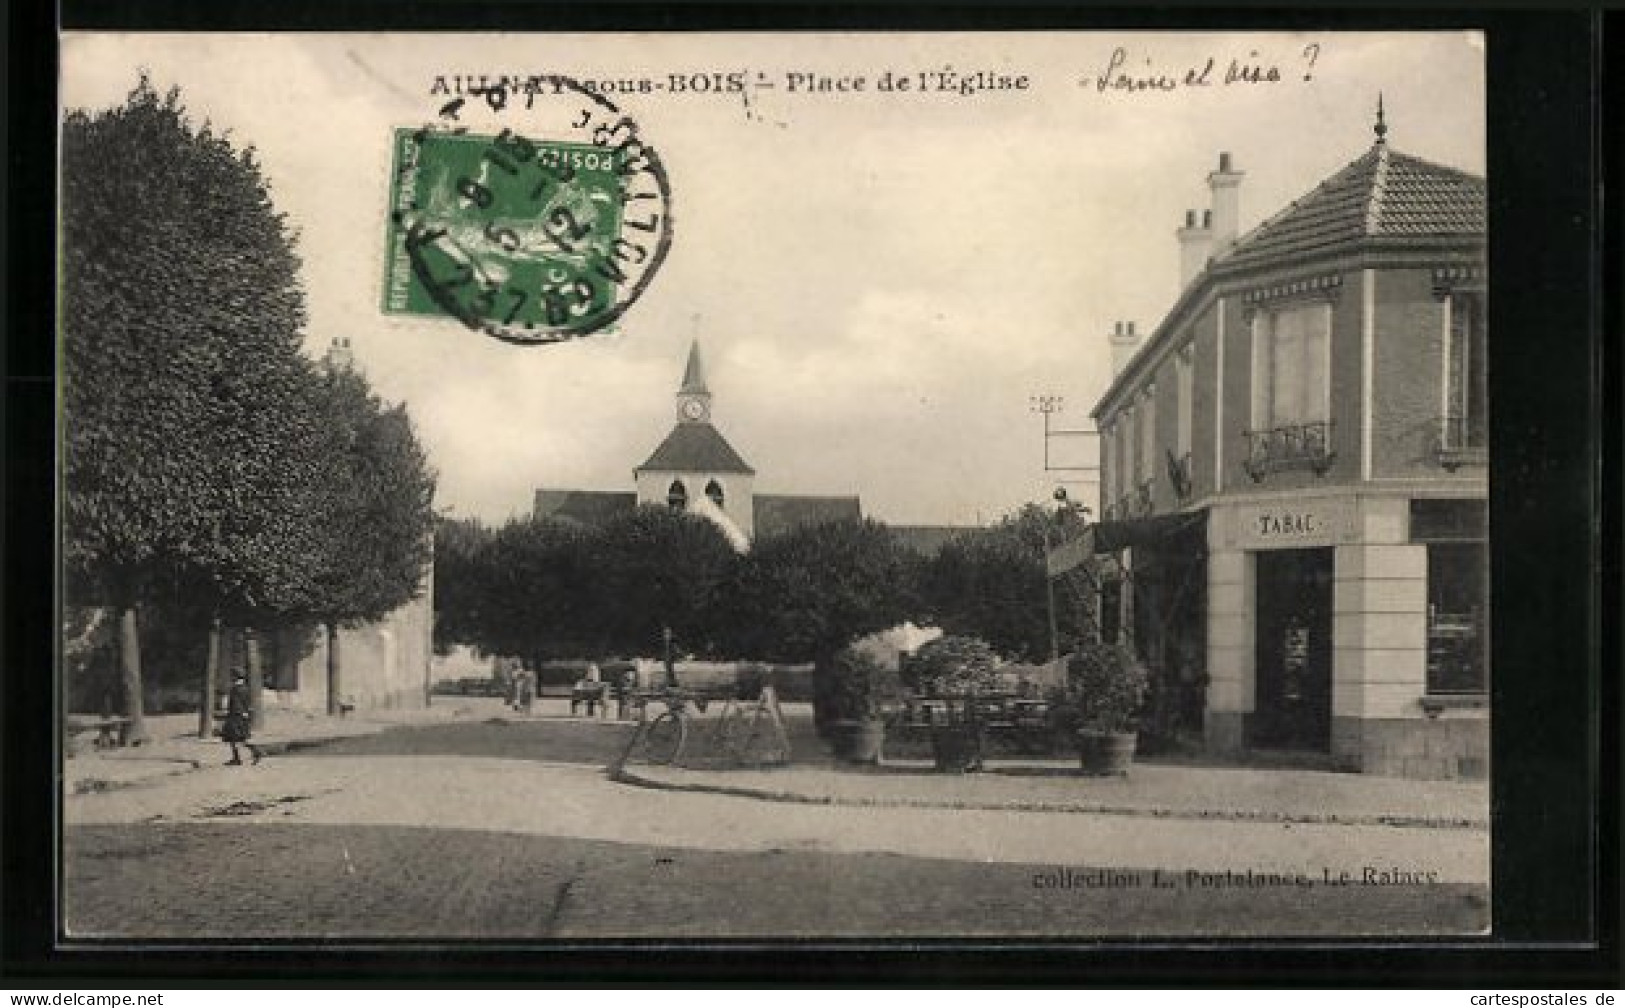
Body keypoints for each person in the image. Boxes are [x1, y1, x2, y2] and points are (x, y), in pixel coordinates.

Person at [221, 671, 262, 766]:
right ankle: (250, 754)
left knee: (234, 738)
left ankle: (250, 754)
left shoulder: (235, 689)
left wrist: (231, 714)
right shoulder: (246, 689)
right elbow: (248, 703)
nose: (232, 678)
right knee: (239, 738)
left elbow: (235, 704)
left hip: (235, 716)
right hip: (242, 716)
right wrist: (246, 713)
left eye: (233, 676)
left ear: (236, 677)